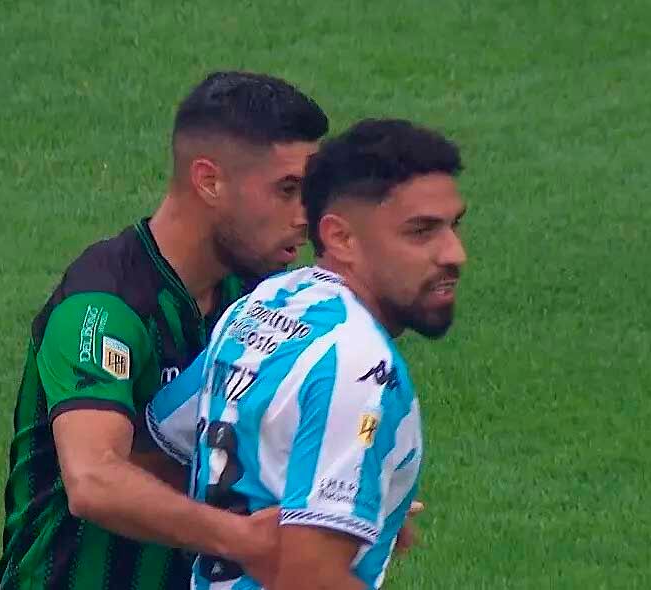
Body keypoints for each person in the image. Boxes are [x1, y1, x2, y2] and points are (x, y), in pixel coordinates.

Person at [0, 71, 329, 590]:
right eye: (287, 189)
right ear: (209, 181)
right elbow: (93, 480)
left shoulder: (265, 299)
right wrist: (245, 540)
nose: (307, 215)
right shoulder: (103, 307)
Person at [146, 118, 468, 589]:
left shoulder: (264, 305)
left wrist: (339, 507)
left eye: (454, 226)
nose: (454, 253)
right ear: (341, 238)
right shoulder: (360, 367)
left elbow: (166, 441)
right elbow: (309, 579)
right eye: (421, 232)